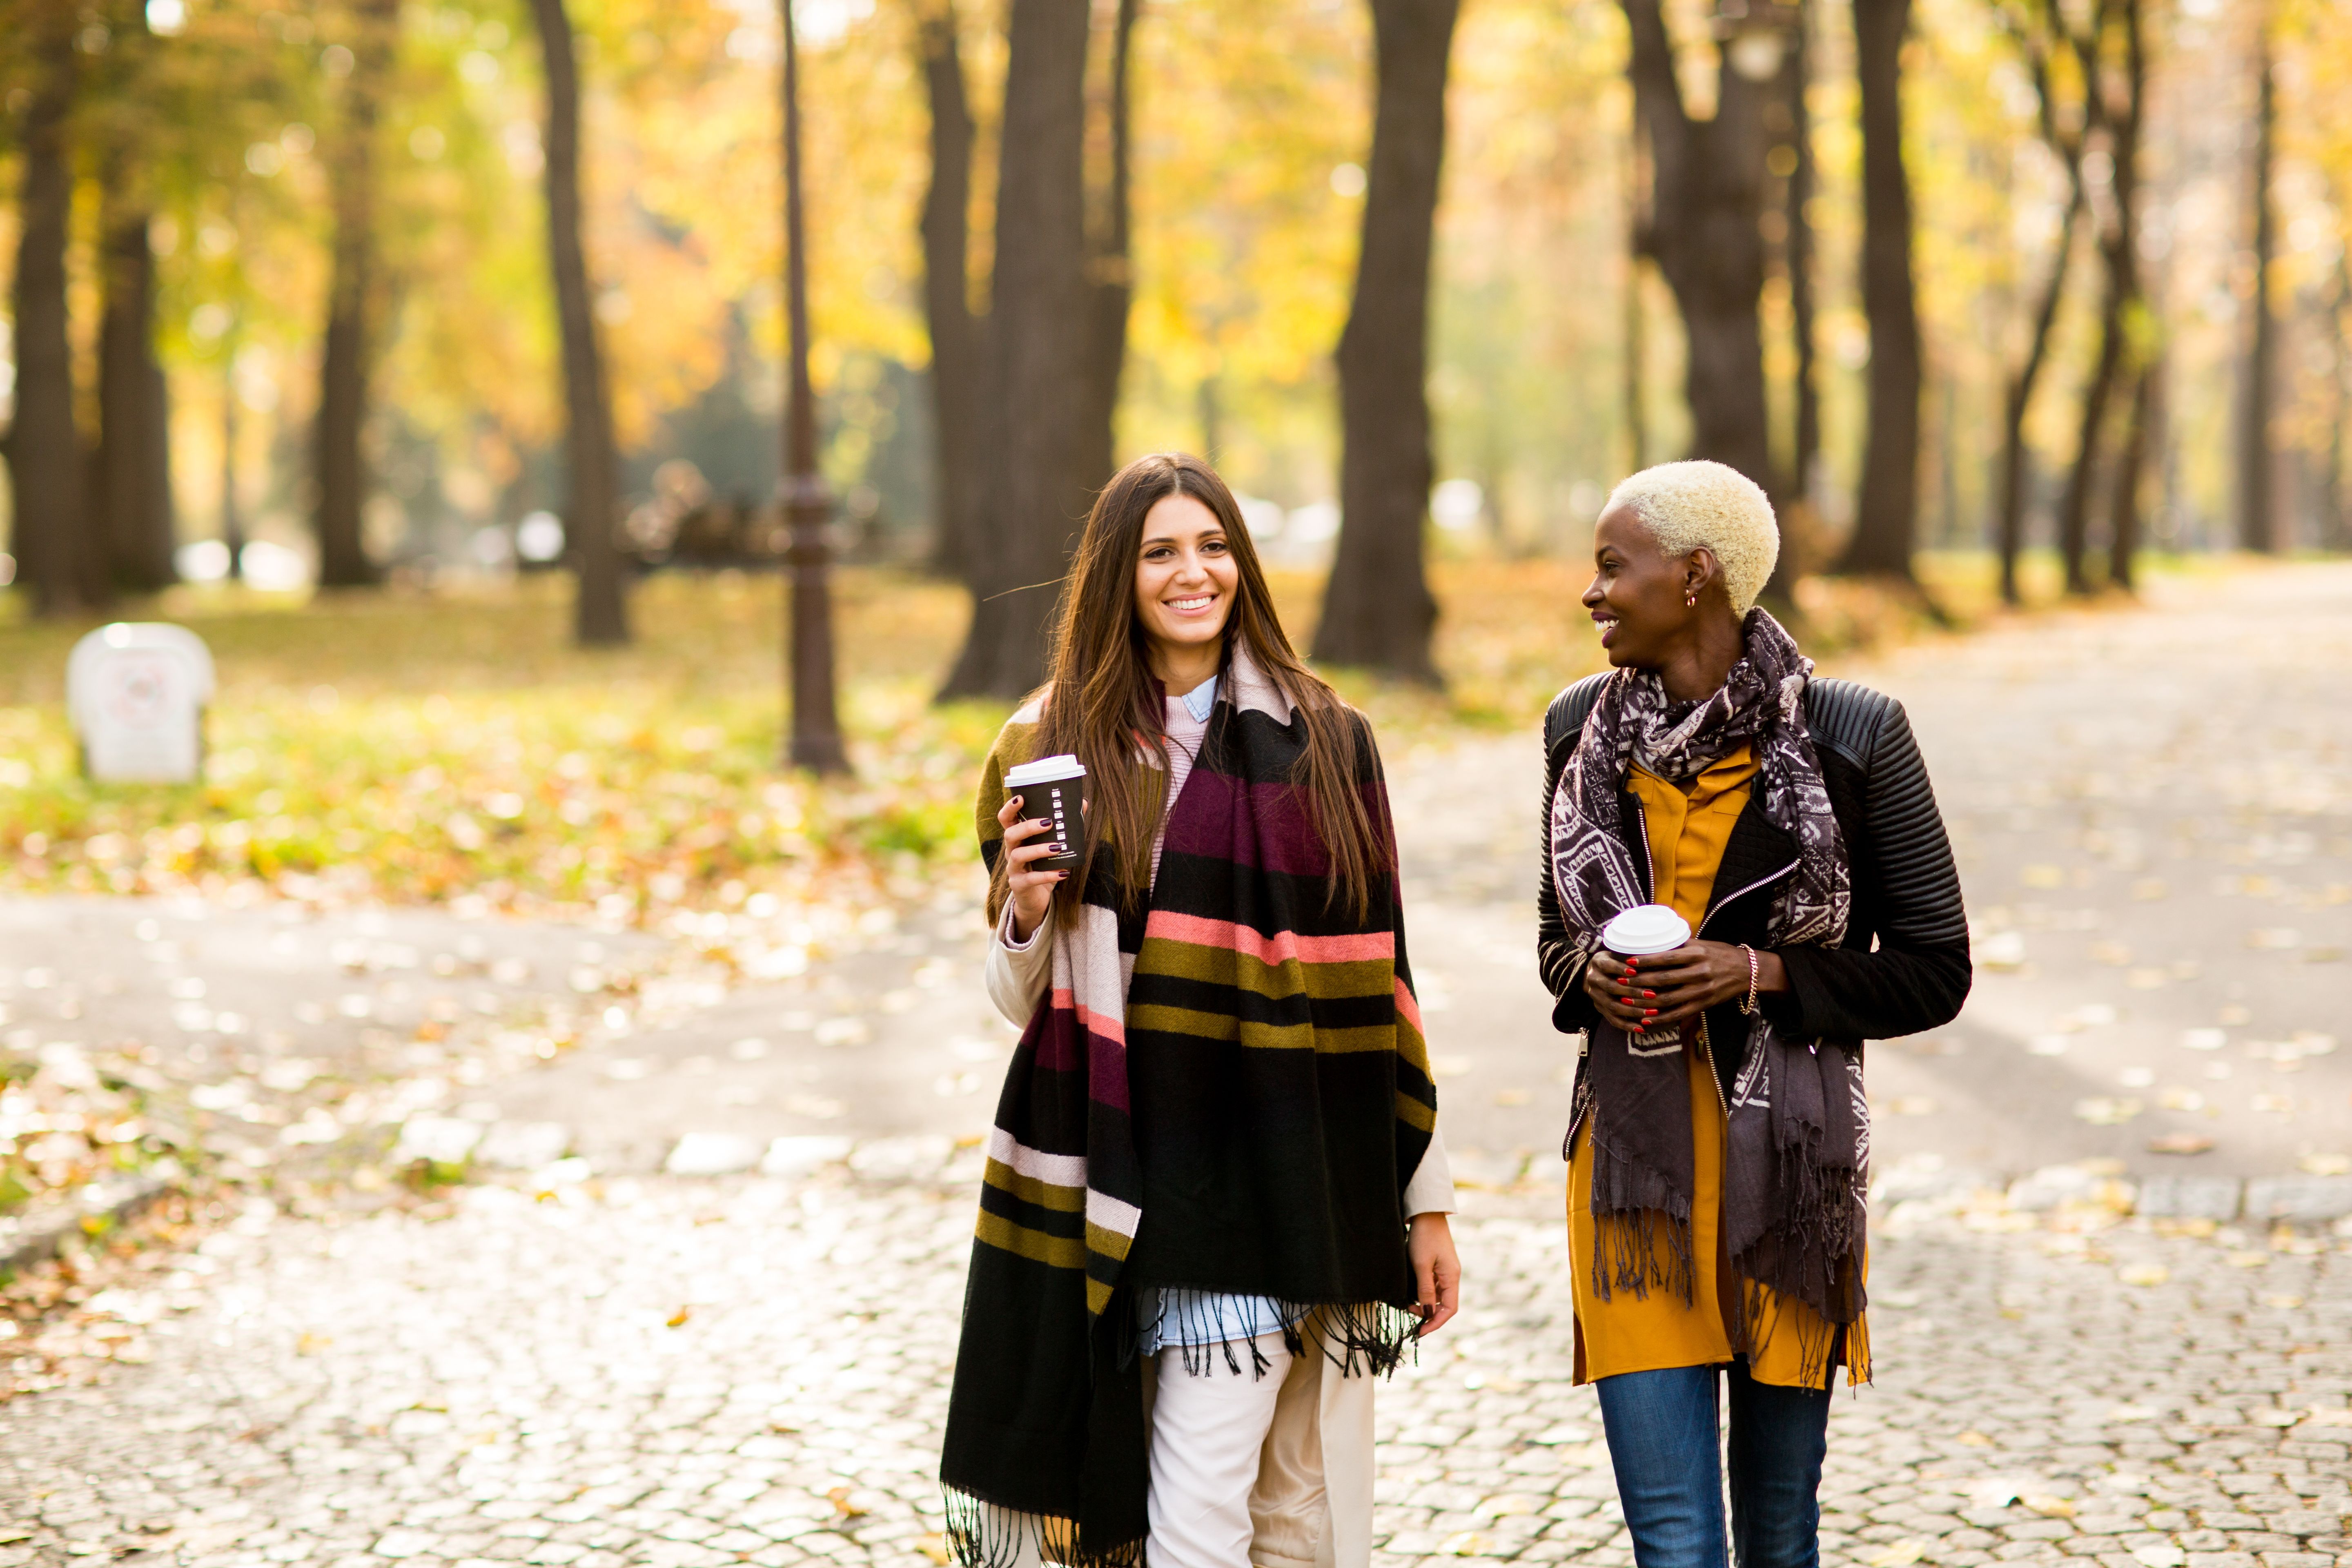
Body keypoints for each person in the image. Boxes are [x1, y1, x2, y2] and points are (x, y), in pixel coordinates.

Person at [940, 452, 1462, 1568]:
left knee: (1234, 1514)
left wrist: (1429, 1205)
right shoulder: (1047, 748)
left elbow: (1383, 980)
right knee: (1188, 1509)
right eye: (1162, 552)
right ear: (1118, 577)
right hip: (1106, 1165)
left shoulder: (1328, 740)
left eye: (1214, 545)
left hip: (1278, 1172)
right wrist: (1025, 909)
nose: (1195, 573)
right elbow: (1017, 1000)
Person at [1537, 461, 1970, 1568]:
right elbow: (1554, 938)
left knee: (1780, 1533)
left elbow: (1935, 968)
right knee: (1674, 1541)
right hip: (1634, 1185)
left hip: (1791, 1183)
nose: (1592, 593)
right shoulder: (1576, 733)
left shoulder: (1856, 734)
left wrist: (1760, 974)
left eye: (1610, 567)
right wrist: (1585, 972)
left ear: (1694, 578)